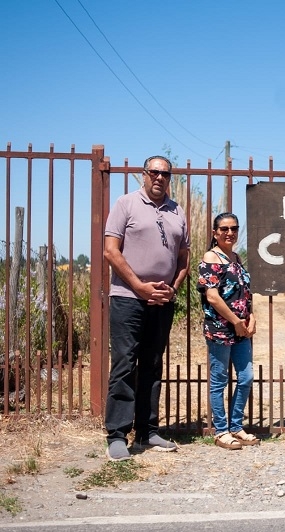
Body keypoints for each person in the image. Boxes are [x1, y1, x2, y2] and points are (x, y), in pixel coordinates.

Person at [104, 155, 190, 461]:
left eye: (165, 173)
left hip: (162, 300)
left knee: (153, 364)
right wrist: (139, 286)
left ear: (169, 178)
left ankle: (147, 430)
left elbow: (183, 258)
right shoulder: (125, 204)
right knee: (125, 363)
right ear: (144, 175)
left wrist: (173, 288)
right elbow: (110, 252)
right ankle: (117, 434)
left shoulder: (177, 210)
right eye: (154, 172)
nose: (159, 177)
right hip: (128, 298)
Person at [197, 212, 259, 450]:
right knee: (219, 380)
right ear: (215, 233)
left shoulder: (236, 257)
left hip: (241, 329)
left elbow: (245, 292)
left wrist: (250, 316)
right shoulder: (210, 258)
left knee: (246, 377)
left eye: (234, 228)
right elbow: (212, 297)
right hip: (220, 329)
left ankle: (236, 426)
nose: (229, 233)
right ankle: (221, 431)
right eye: (224, 229)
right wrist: (235, 321)